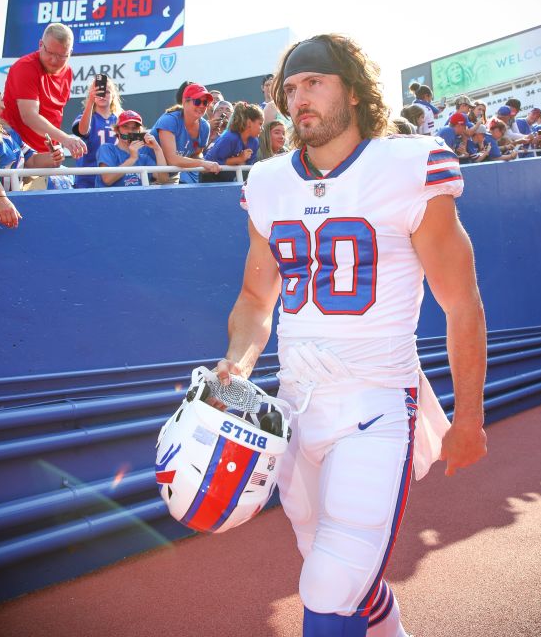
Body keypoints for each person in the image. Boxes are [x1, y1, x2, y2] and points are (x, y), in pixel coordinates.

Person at [224, 33, 487, 637]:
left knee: (329, 585)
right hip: (295, 407)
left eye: (313, 82)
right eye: (289, 89)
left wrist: (469, 415)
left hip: (375, 402)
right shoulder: (267, 182)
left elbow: (461, 302)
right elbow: (254, 298)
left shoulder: (408, 166)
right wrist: (238, 361)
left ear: (354, 90)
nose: (299, 99)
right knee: (341, 575)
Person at [0, 75, 58, 228]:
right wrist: (0, 199)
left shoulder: (7, 132)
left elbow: (32, 161)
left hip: (12, 205)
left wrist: (54, 157)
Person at [0, 23, 88, 165]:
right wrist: (65, 139)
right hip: (18, 155)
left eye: (61, 56)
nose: (54, 61)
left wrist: (55, 149)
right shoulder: (25, 67)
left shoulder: (68, 72)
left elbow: (54, 115)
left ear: (70, 53)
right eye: (50, 53)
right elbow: (29, 116)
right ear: (41, 44)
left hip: (47, 156)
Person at [151, 83, 222, 185]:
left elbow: (196, 154)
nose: (202, 106)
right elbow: (172, 160)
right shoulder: (169, 120)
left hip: (171, 177)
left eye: (205, 102)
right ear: (184, 102)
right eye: (197, 101)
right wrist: (202, 163)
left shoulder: (205, 126)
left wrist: (208, 164)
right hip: (145, 175)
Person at [69, 73, 123, 189]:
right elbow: (83, 131)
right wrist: (90, 102)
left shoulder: (120, 120)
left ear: (113, 95)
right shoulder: (87, 117)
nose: (102, 96)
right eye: (98, 93)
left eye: (107, 92)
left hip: (115, 177)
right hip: (88, 179)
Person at [94, 110, 163, 188]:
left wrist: (157, 149)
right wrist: (132, 158)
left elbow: (163, 180)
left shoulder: (144, 157)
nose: (130, 131)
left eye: (134, 128)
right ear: (117, 130)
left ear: (139, 131)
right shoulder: (107, 149)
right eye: (125, 126)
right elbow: (107, 179)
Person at [203, 102, 263, 183]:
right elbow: (211, 163)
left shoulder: (254, 142)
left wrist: (239, 160)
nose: (262, 128)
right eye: (260, 124)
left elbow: (246, 165)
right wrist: (239, 158)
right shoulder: (230, 137)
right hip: (210, 182)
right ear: (249, 123)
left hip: (233, 181)